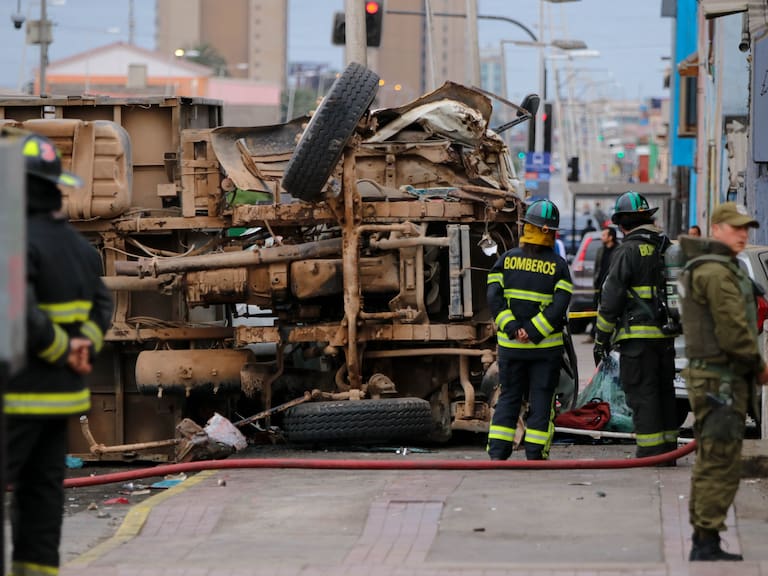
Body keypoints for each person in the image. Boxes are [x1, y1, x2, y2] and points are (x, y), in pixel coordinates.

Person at [4, 133, 113, 576]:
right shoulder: (79, 249)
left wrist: (63, 348)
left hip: (14, 397)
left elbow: (19, 315)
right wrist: (81, 347)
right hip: (60, 399)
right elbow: (103, 307)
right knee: (41, 496)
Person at [678, 202, 768, 562]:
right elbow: (733, 330)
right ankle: (706, 541)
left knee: (712, 459)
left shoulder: (719, 267)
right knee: (720, 462)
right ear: (716, 229)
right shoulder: (716, 273)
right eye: (735, 227)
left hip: (715, 377)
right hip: (720, 379)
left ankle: (705, 534)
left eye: (746, 228)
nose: (743, 234)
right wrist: (758, 366)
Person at [593, 191, 678, 458]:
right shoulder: (667, 247)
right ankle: (669, 451)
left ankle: (651, 454)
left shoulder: (627, 251)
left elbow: (611, 301)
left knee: (643, 394)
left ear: (622, 224)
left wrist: (600, 340)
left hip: (636, 342)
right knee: (665, 393)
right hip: (665, 339)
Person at [486, 199, 573, 460]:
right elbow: (559, 306)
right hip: (545, 350)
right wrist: (533, 332)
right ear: (552, 233)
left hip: (511, 349)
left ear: (527, 228)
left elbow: (493, 297)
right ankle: (535, 452)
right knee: (542, 399)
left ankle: (499, 452)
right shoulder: (558, 266)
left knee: (509, 397)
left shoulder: (507, 260)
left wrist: (513, 329)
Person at [585, 226, 619, 343]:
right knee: (595, 310)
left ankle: (609, 336)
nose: (601, 237)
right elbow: (597, 268)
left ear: (611, 237)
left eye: (604, 235)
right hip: (599, 287)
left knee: (608, 311)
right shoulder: (601, 250)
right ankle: (592, 334)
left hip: (610, 287)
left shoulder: (618, 250)